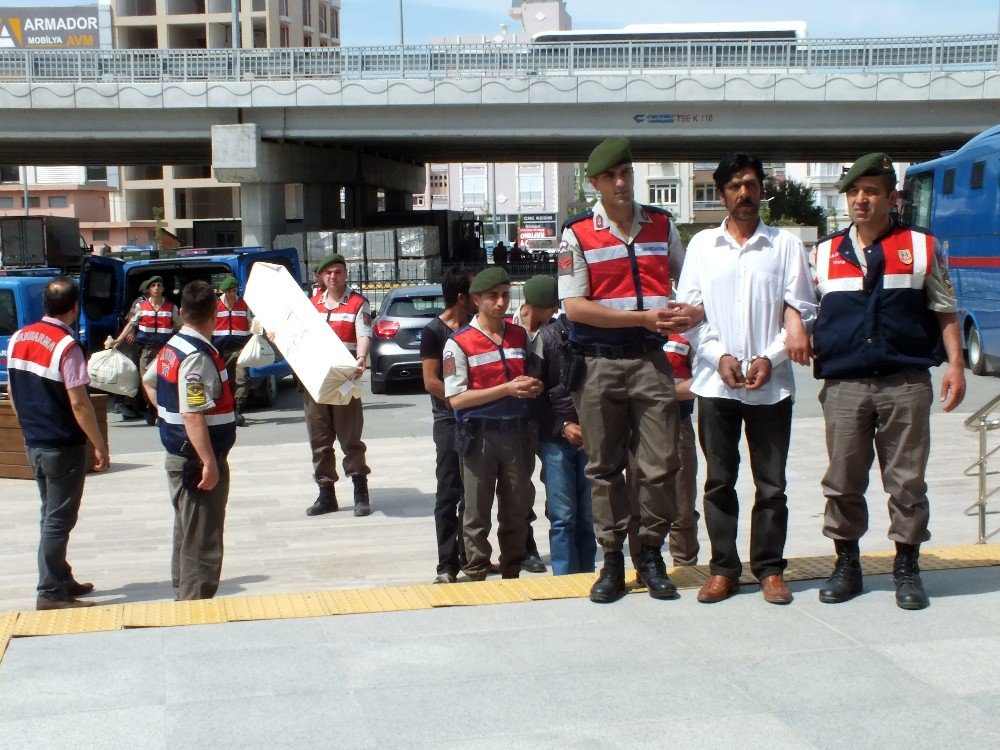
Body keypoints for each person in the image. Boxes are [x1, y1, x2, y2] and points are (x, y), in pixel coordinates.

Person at [809, 153, 966, 610]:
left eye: (872, 190)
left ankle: (907, 567)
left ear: (891, 197)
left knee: (907, 483)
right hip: (845, 386)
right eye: (854, 192)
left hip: (905, 382)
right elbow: (801, 308)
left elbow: (944, 308)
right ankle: (847, 565)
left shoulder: (922, 247)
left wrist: (955, 365)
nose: (861, 199)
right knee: (841, 481)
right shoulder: (822, 253)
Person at [558, 136, 699, 603]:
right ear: (595, 183)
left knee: (660, 466)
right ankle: (613, 558)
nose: (621, 183)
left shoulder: (662, 225)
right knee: (604, 468)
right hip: (597, 364)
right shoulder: (576, 234)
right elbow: (574, 308)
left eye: (626, 174)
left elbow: (691, 284)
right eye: (610, 177)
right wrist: (640, 317)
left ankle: (651, 553)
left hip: (650, 361)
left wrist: (691, 314)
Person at [676, 152, 815, 605]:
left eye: (751, 184)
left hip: (771, 387)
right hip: (716, 385)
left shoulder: (785, 246)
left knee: (771, 484)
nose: (744, 193)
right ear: (721, 195)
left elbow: (802, 311)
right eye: (735, 186)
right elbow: (689, 315)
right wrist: (718, 356)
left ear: (761, 191)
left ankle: (770, 569)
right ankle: (723, 570)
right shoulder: (700, 247)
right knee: (719, 480)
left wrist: (771, 357)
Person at [7, 277, 110, 610]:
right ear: (75, 308)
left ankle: (62, 577)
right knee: (59, 519)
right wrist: (99, 445)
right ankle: (50, 592)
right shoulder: (67, 346)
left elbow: (12, 391)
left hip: (34, 441)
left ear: (45, 306)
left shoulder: (19, 337)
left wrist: (28, 426)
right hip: (61, 445)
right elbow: (79, 403)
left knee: (49, 514)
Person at [443, 267, 544, 581]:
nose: (501, 302)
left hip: (517, 433)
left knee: (516, 509)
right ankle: (475, 571)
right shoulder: (459, 343)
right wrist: (507, 389)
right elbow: (456, 399)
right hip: (479, 436)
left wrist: (532, 386)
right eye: (493, 297)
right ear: (476, 299)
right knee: (476, 512)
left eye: (505, 295)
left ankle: (512, 569)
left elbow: (528, 374)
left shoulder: (518, 335)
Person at [143, 280, 236, 600]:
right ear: (215, 314)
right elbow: (193, 413)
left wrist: (166, 412)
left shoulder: (173, 346)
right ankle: (193, 606)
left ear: (181, 313)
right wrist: (209, 462)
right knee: (202, 541)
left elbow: (148, 380)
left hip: (179, 453)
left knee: (186, 532)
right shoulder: (197, 355)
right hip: (196, 460)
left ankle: (182, 595)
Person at [531, 275, 597, 576]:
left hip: (594, 437)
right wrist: (564, 425)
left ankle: (587, 575)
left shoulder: (598, 336)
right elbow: (536, 394)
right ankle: (563, 579)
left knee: (588, 515)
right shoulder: (545, 339)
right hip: (556, 441)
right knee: (562, 516)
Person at [303, 253, 373, 518]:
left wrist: (361, 358)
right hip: (315, 380)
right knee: (319, 440)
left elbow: (363, 334)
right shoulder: (311, 305)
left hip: (344, 380)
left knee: (350, 438)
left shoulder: (357, 304)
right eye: (328, 272)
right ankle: (326, 493)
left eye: (338, 272)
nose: (333, 277)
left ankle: (360, 491)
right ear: (321, 276)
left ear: (345, 275)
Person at [626, 333, 700, 569]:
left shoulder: (689, 334)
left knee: (683, 503)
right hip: (637, 425)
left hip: (677, 422)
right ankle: (643, 566)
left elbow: (703, 381)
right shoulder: (631, 327)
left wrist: (655, 393)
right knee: (637, 499)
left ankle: (685, 563)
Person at [421, 267, 476, 584]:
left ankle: (470, 557)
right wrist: (461, 399)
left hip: (477, 420)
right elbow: (430, 381)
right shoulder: (433, 332)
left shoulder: (475, 328)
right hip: (448, 422)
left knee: (474, 495)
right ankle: (446, 564)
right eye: (473, 292)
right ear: (461, 297)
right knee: (448, 494)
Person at [114, 275, 180, 425]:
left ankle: (161, 411)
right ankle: (152, 407)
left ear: (163, 289)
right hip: (147, 351)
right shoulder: (141, 307)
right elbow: (131, 324)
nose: (156, 288)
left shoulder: (171, 308)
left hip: (165, 351)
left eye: (159, 285)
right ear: (149, 289)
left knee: (165, 380)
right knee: (146, 381)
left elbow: (179, 326)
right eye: (153, 286)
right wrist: (119, 340)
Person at [211, 275, 252, 427]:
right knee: (225, 381)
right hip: (222, 349)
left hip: (241, 347)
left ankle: (238, 410)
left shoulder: (244, 305)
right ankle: (228, 408)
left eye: (234, 291)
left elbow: (251, 323)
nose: (231, 294)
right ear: (223, 291)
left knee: (242, 379)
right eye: (228, 291)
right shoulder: (215, 305)